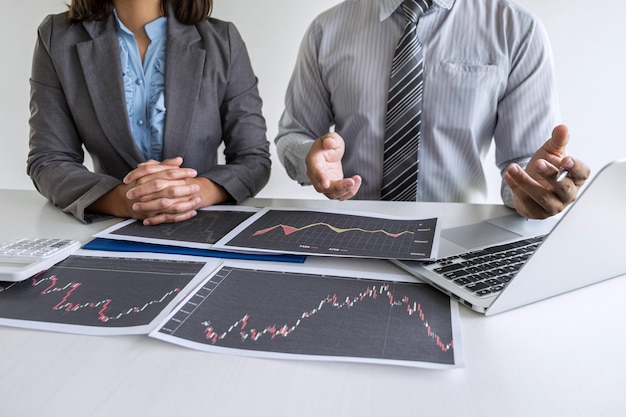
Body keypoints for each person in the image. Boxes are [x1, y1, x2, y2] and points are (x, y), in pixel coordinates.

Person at [275, 0, 590, 219]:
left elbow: (523, 169)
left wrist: (533, 193)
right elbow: (295, 134)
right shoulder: (326, 30)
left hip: (459, 241)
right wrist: (311, 159)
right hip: (350, 232)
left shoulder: (517, 30)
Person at [27, 0, 271, 225]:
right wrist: (123, 199)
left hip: (203, 227)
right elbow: (49, 162)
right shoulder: (57, 36)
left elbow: (253, 159)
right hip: (108, 228)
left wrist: (194, 193)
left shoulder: (223, 41)